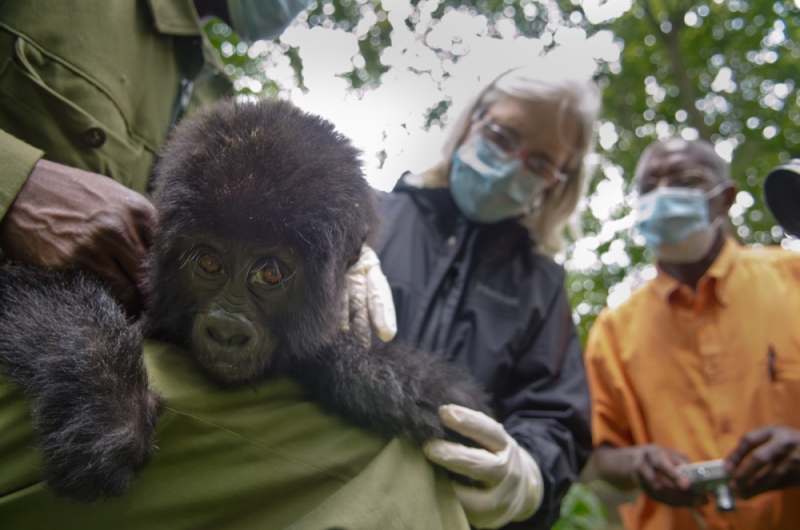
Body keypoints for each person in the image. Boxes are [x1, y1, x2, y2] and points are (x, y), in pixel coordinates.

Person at [0, 2, 462, 528]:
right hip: (47, 316)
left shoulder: (206, 96)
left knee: (410, 449)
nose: (226, 323)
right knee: (391, 470)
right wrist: (15, 185)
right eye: (209, 265)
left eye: (270, 274)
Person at [374, 60, 601, 529]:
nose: (511, 167)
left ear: (558, 181)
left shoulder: (543, 287)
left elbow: (554, 418)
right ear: (471, 122)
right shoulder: (370, 217)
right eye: (502, 136)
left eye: (540, 163)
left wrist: (530, 473)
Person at [585, 137, 800, 530]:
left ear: (726, 197)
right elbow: (603, 454)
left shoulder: (793, 277)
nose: (664, 195)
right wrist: (639, 462)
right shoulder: (613, 331)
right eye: (649, 188)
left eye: (686, 181)